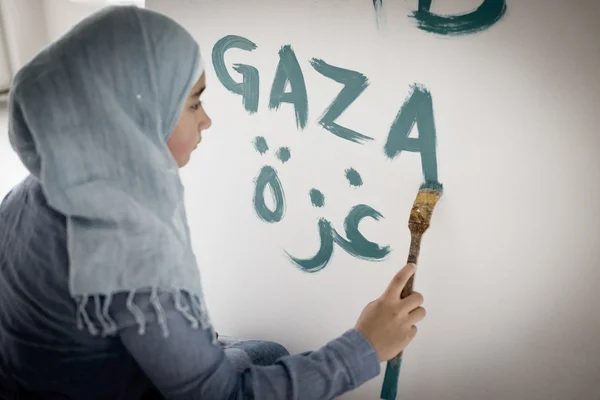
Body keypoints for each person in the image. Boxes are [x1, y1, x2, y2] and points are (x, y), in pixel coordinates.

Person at [0, 6, 426, 400]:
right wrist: (364, 347)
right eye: (194, 102)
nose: (207, 119)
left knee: (259, 349)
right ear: (136, 118)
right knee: (269, 353)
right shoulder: (129, 248)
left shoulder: (34, 188)